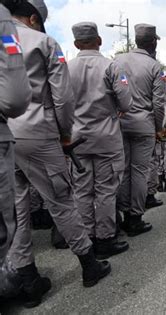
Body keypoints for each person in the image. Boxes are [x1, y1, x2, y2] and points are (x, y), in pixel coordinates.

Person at [9, 0, 110, 307]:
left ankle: (27, 278)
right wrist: (65, 133)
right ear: (32, 18)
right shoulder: (42, 41)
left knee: (15, 209)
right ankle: (89, 264)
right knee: (61, 200)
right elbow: (63, 99)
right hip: (36, 132)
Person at [68, 22, 132, 259]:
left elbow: (59, 103)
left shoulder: (66, 68)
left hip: (77, 139)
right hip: (106, 137)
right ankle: (106, 239)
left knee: (82, 191)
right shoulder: (112, 67)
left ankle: (89, 240)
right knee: (105, 190)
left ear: (76, 44)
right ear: (100, 40)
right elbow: (126, 103)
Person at [115, 23, 165, 236]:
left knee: (123, 170)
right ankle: (134, 218)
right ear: (153, 42)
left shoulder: (117, 61)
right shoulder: (154, 66)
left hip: (119, 124)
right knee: (139, 172)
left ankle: (122, 212)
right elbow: (158, 103)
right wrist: (158, 128)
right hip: (144, 124)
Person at [0, 0, 31, 297]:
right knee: (60, 196)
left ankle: (23, 265)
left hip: (19, 136)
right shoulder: (5, 24)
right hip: (35, 132)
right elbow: (15, 97)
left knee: (20, 201)